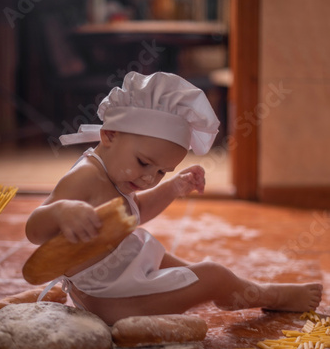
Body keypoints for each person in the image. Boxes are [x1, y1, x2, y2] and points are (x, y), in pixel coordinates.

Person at [26, 71, 323, 325]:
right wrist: (63, 211)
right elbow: (34, 230)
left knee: (188, 270)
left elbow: (135, 212)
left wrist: (174, 188)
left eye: (162, 172)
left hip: (125, 273)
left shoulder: (117, 172)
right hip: (109, 302)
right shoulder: (86, 177)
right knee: (212, 275)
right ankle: (261, 294)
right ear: (110, 134)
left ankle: (234, 288)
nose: (148, 178)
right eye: (144, 163)